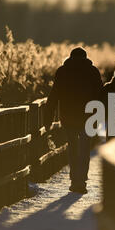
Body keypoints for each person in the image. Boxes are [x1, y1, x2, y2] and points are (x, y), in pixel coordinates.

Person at [45, 47, 103, 194]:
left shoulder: (62, 71)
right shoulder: (93, 71)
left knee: (72, 148)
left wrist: (47, 119)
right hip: (88, 117)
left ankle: (73, 180)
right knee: (84, 149)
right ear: (86, 57)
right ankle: (81, 181)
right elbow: (100, 96)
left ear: (70, 57)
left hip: (68, 117)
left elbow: (53, 96)